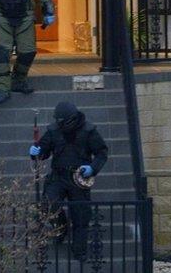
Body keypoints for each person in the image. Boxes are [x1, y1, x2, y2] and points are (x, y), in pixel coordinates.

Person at [29, 101, 108, 261]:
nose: (59, 123)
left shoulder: (88, 130)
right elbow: (43, 153)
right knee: (49, 204)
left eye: (61, 121)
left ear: (71, 119)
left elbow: (101, 152)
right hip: (58, 176)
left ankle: (79, 250)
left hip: (79, 177)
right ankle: (61, 227)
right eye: (57, 121)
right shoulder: (53, 131)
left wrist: (93, 168)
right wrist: (35, 152)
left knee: (80, 215)